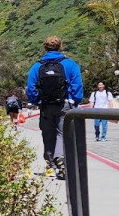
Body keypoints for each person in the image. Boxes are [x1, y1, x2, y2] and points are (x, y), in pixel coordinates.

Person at [26, 36, 83, 179]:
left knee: (47, 134)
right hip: (64, 104)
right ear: (60, 47)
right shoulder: (70, 64)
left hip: (45, 106)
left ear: (45, 48)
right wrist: (74, 101)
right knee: (62, 133)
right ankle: (60, 158)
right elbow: (77, 85)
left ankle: (50, 163)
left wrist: (37, 100)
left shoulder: (37, 66)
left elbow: (30, 88)